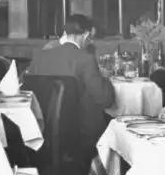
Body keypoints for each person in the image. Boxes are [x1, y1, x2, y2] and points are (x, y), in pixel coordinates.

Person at [29, 15, 115, 146]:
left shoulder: (40, 56)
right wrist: (105, 77)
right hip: (80, 133)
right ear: (86, 35)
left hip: (40, 130)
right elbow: (105, 99)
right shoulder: (86, 59)